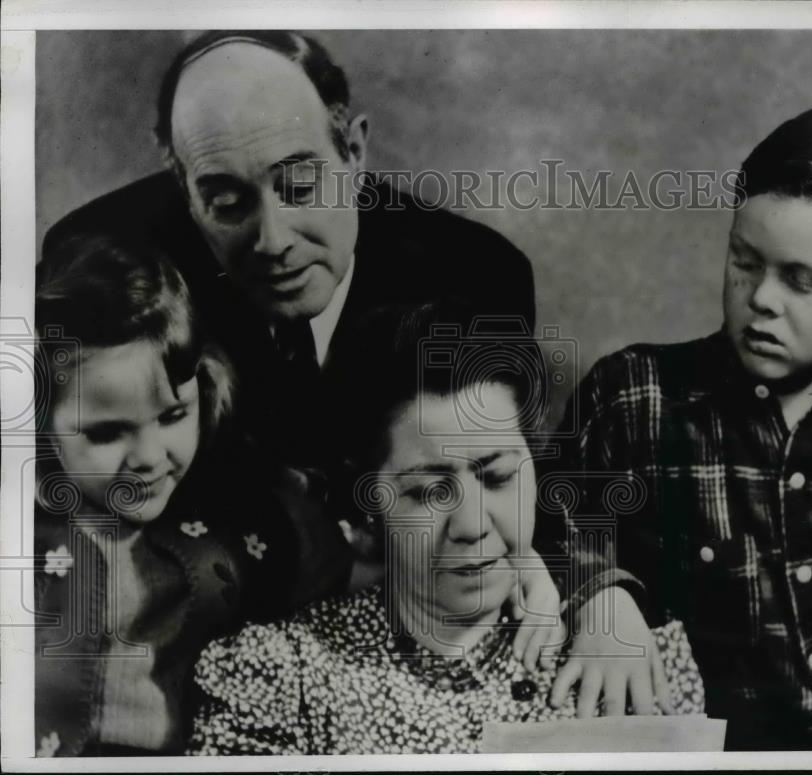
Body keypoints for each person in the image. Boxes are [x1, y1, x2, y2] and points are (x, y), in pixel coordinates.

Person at [554, 105, 812, 749]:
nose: (761, 300)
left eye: (803, 281)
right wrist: (599, 592)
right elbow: (538, 523)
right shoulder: (634, 399)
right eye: (745, 261)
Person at [187, 301, 706, 755]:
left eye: (497, 477)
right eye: (429, 492)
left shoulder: (626, 659)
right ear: (370, 506)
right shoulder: (281, 675)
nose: (471, 526)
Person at [41, 30, 535, 469]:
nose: (272, 242)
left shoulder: (478, 277)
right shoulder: (110, 267)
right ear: (184, 190)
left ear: (355, 154)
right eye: (227, 203)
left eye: (300, 188)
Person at [33, 235, 301, 756]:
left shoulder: (240, 515)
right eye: (108, 432)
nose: (150, 457)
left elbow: (360, 571)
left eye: (174, 415)